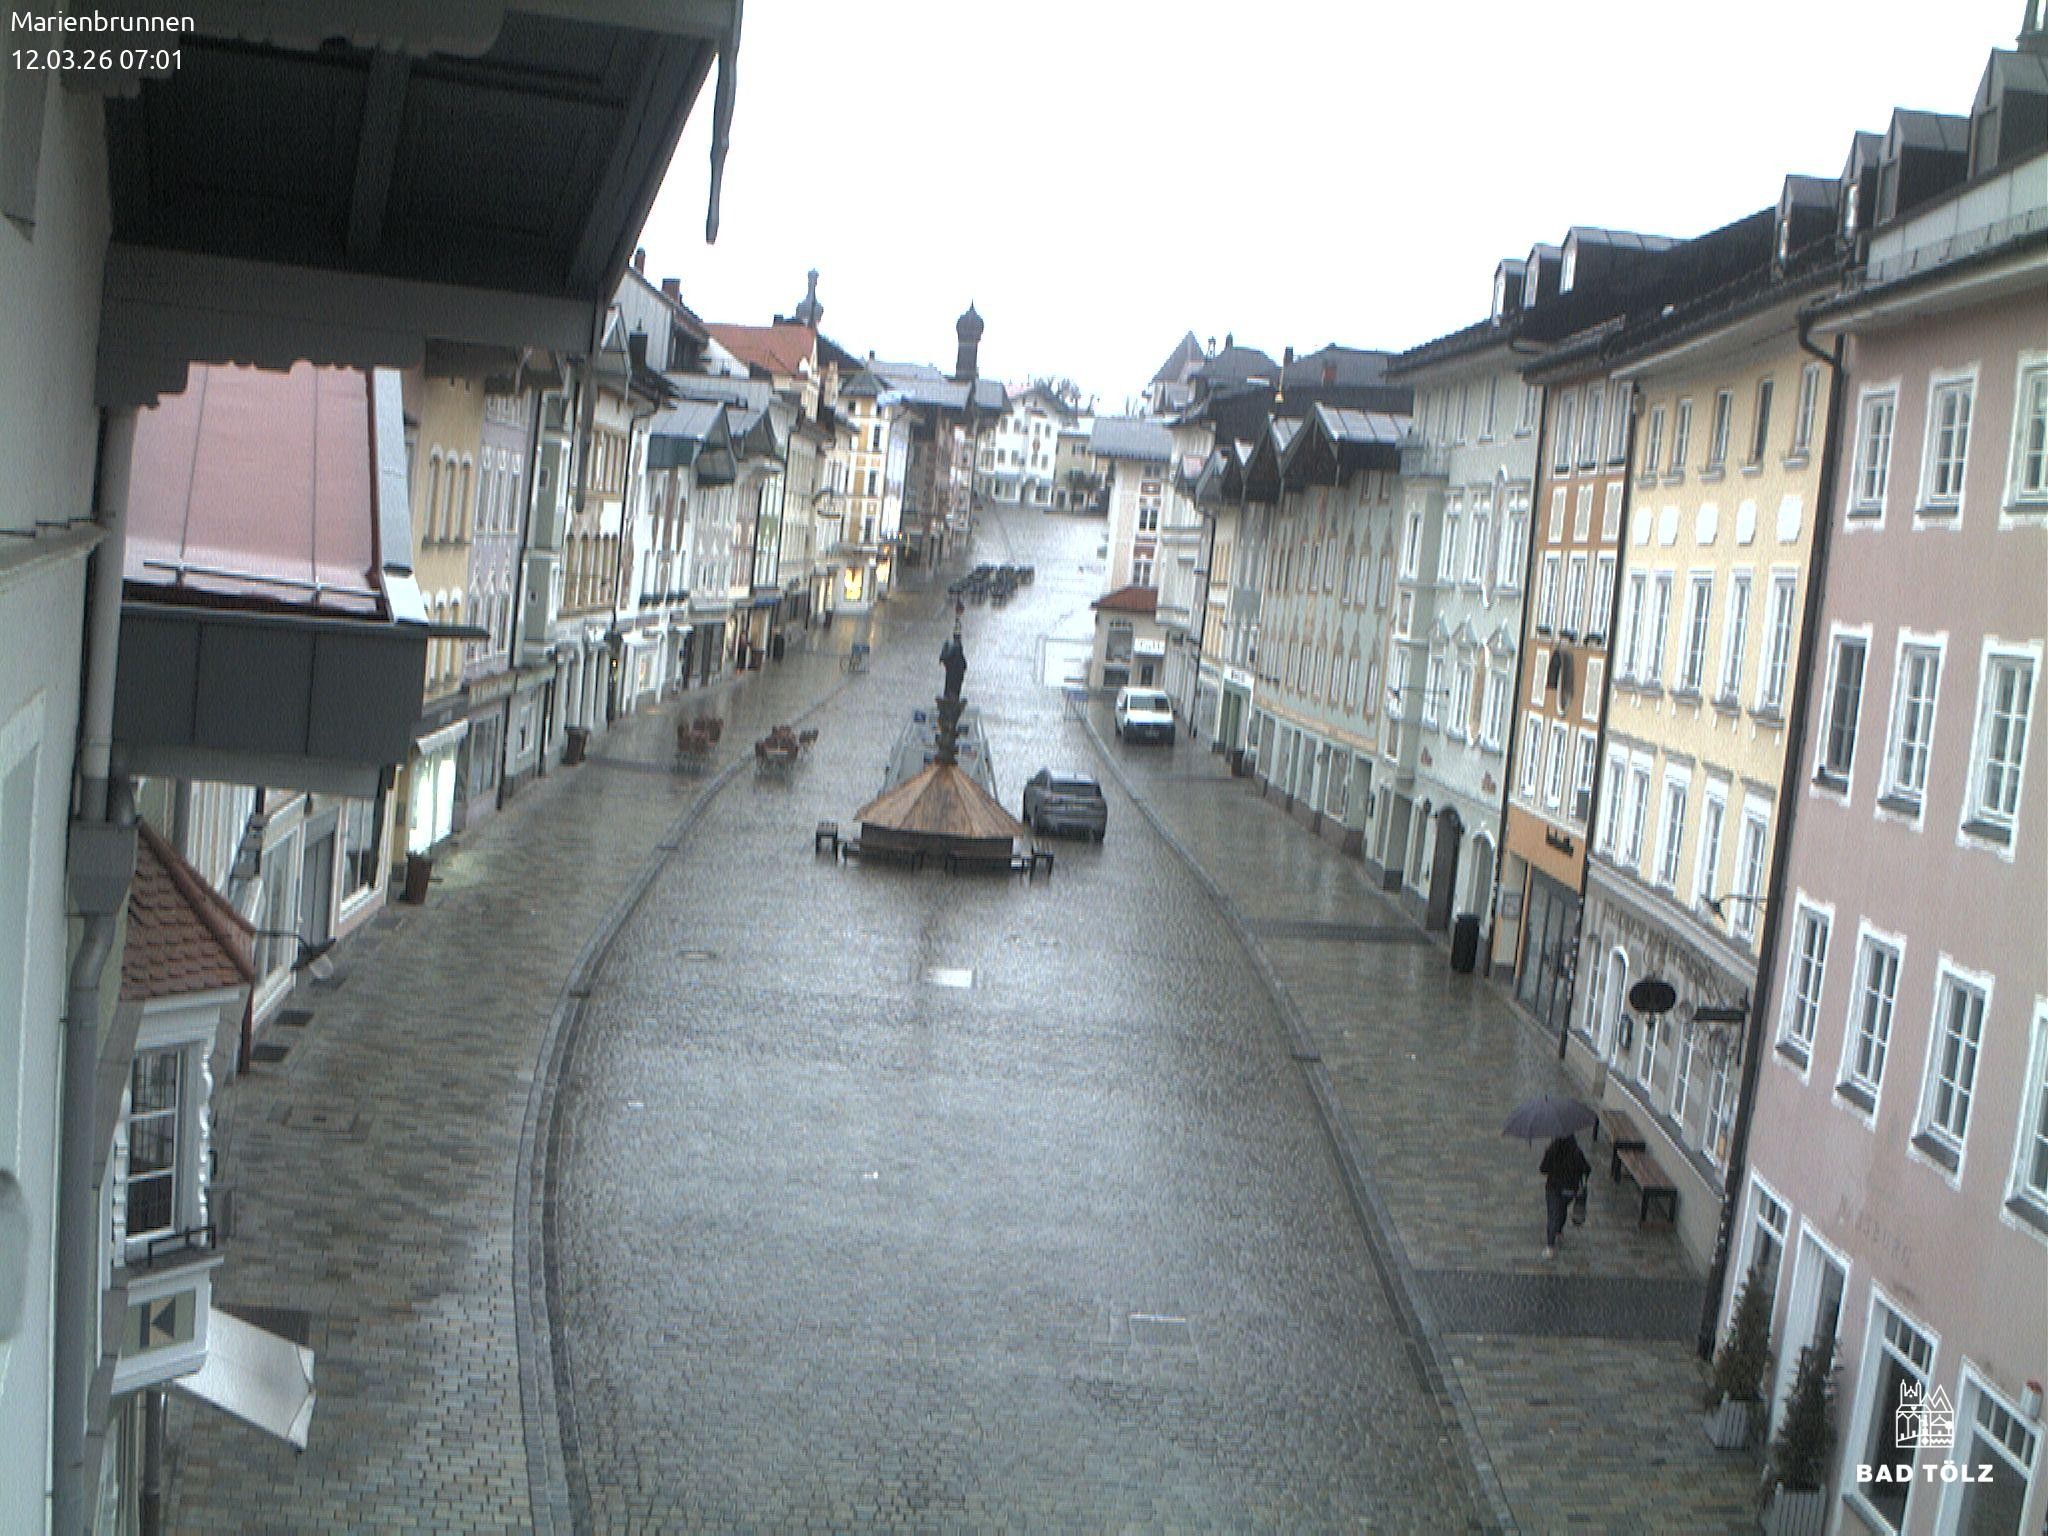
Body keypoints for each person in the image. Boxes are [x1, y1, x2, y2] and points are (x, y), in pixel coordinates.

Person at [1539, 1131, 1591, 1259]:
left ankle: (1550, 1247)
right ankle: (1559, 1231)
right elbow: (1587, 1169)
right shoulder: (1577, 1153)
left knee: (1552, 1215)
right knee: (1562, 1209)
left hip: (1553, 1188)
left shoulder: (1552, 1150)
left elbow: (1543, 1169)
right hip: (1570, 1189)